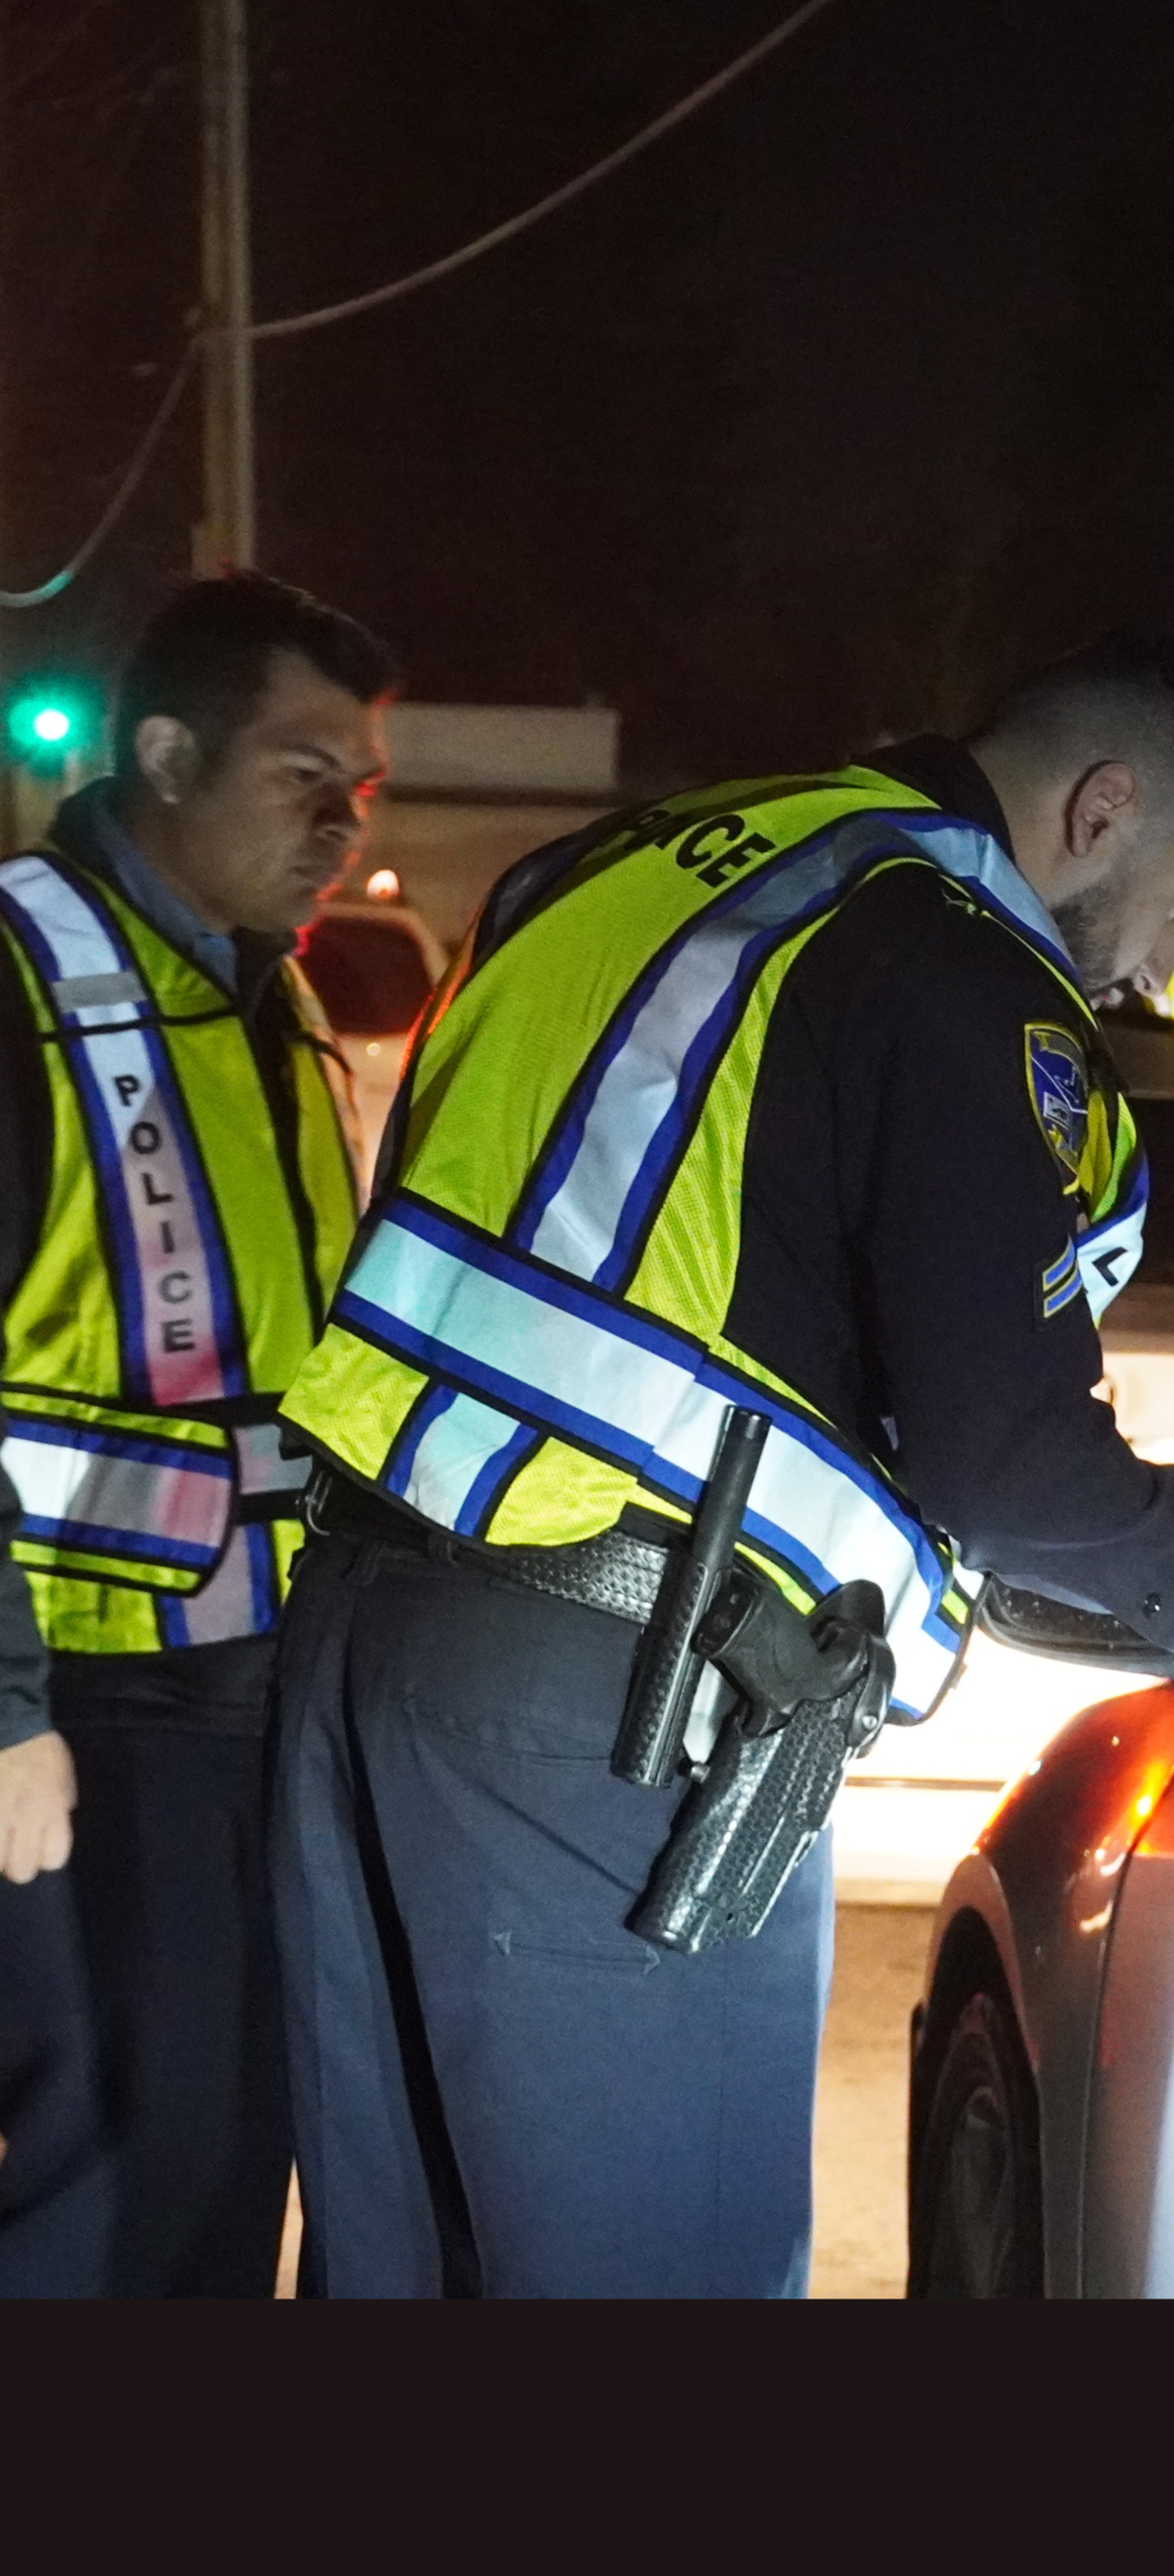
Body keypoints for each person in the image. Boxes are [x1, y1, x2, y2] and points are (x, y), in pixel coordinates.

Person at [270, 633, 1174, 2300]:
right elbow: (1006, 1464)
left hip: (365, 1633)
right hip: (618, 1705)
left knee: (411, 2274)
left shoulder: (631, 867)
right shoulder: (953, 964)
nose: (1153, 967)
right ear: (1101, 807)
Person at [0, 573, 394, 2295]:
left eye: (361, 788)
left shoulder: (269, 997)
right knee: (109, 2176)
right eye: (301, 768)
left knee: (239, 2148)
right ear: (165, 750)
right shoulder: (21, 976)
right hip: (83, 1700)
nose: (338, 821)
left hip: (257, 1686)